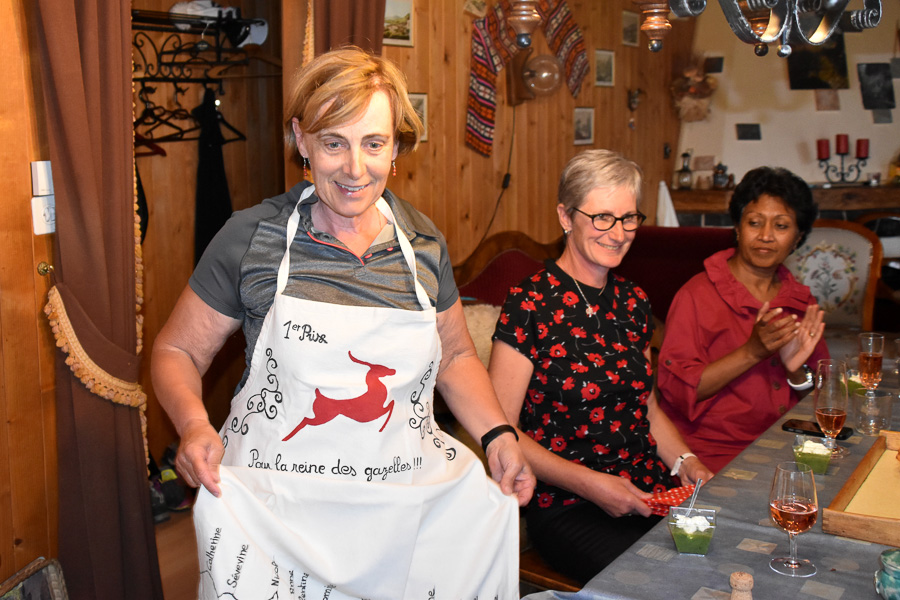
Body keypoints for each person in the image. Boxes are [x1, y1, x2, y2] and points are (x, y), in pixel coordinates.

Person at [151, 46, 534, 599]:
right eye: (334, 143)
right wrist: (192, 425)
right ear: (302, 140)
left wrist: (497, 435)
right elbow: (177, 352)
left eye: (373, 143)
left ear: (396, 147)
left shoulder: (423, 244)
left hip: (396, 513)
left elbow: (454, 355)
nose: (356, 168)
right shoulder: (252, 238)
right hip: (274, 519)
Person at [488, 150, 714, 584]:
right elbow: (502, 431)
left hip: (648, 488)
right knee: (661, 582)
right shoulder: (529, 302)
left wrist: (686, 460)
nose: (619, 233)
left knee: (717, 565)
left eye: (628, 219)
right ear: (565, 217)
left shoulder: (634, 300)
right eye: (603, 218)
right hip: (569, 503)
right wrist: (591, 484)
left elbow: (646, 407)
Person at [657, 166, 829, 473]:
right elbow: (678, 392)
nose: (765, 236)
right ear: (737, 228)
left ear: (798, 238)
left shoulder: (800, 302)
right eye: (754, 223)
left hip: (786, 447)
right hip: (710, 456)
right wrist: (752, 351)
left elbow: (820, 397)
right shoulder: (697, 295)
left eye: (781, 225)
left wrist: (795, 373)